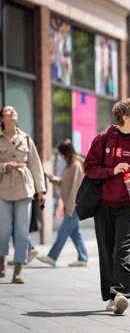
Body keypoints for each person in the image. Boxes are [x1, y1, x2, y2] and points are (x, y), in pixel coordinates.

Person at [84, 99, 130, 315]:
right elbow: (89, 168)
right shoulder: (103, 140)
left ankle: (123, 293)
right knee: (106, 251)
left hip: (129, 205)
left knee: (121, 250)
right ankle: (113, 296)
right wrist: (111, 171)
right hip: (103, 205)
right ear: (126, 117)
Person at [0, 106, 46, 284]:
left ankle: (18, 269)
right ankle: (2, 260)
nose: (13, 112)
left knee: (21, 230)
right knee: (3, 229)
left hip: (24, 188)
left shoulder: (26, 138)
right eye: (8, 111)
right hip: (3, 189)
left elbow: (35, 165)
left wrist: (40, 190)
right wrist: (5, 167)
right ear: (2, 118)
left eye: (14, 110)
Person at [37, 139, 89, 267]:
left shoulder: (76, 166)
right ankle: (83, 258)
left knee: (63, 232)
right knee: (75, 234)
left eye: (61, 153)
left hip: (73, 205)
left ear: (66, 152)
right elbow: (65, 182)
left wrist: (71, 208)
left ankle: (52, 257)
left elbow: (76, 188)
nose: (60, 156)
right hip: (70, 204)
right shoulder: (70, 165)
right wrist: (53, 179)